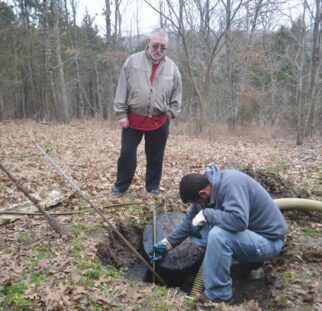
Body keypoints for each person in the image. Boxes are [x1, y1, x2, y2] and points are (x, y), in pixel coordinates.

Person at [151, 164, 288, 303]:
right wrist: (167, 243)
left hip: (268, 241)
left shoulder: (232, 185)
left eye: (196, 202)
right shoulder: (206, 189)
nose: (198, 206)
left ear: (202, 194)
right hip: (250, 236)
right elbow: (189, 221)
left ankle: (218, 297)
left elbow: (239, 221)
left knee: (218, 235)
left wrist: (207, 214)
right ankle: (233, 270)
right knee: (199, 233)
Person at [112, 28, 182, 197]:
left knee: (155, 157)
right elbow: (122, 88)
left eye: (163, 47)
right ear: (149, 43)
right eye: (155, 45)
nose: (158, 50)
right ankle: (121, 186)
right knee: (127, 154)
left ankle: (153, 187)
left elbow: (177, 93)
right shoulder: (132, 61)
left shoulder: (172, 67)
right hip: (133, 118)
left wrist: (170, 114)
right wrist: (121, 114)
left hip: (159, 120)